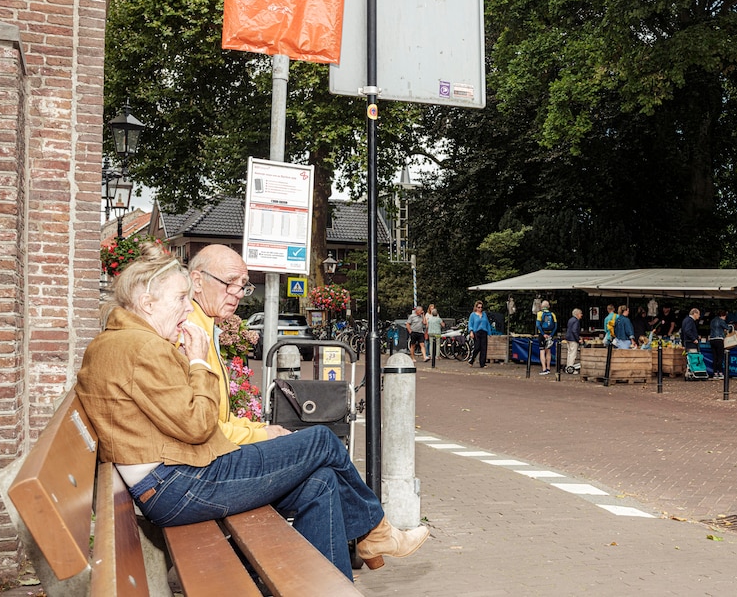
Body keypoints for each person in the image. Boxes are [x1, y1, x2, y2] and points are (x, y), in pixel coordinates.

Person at [75, 250, 427, 580]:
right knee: (320, 440)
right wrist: (198, 362)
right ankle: (376, 532)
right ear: (146, 303)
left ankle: (335, 580)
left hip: (174, 477)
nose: (186, 309)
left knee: (320, 484)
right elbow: (198, 424)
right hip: (179, 485)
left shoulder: (121, 341)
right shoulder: (143, 347)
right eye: (179, 299)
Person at [186, 244, 290, 444]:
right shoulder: (189, 333)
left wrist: (262, 429)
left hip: (213, 449)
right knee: (322, 442)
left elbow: (220, 418)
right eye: (230, 282)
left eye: (243, 284)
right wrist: (262, 435)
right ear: (197, 282)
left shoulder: (207, 326)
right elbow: (202, 426)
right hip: (207, 457)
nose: (239, 293)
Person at [535, 300, 557, 375]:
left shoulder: (540, 313)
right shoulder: (552, 314)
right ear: (549, 306)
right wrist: (551, 334)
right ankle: (548, 368)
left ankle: (544, 369)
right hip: (550, 334)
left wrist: (543, 334)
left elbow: (538, 325)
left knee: (542, 351)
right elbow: (555, 326)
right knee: (548, 351)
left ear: (541, 306)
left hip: (542, 335)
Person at [709, 308, 732, 379]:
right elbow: (728, 328)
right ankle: (720, 372)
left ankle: (715, 373)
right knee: (720, 357)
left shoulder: (712, 321)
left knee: (714, 357)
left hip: (712, 340)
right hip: (719, 340)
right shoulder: (721, 321)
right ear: (723, 315)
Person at [467, 300, 489, 367]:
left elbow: (487, 323)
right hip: (476, 332)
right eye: (478, 307)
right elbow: (470, 323)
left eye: (481, 307)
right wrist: (471, 331)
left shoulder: (484, 314)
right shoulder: (473, 315)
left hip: (484, 332)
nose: (480, 309)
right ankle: (471, 360)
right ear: (476, 307)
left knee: (484, 348)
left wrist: (489, 332)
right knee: (477, 347)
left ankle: (482, 363)